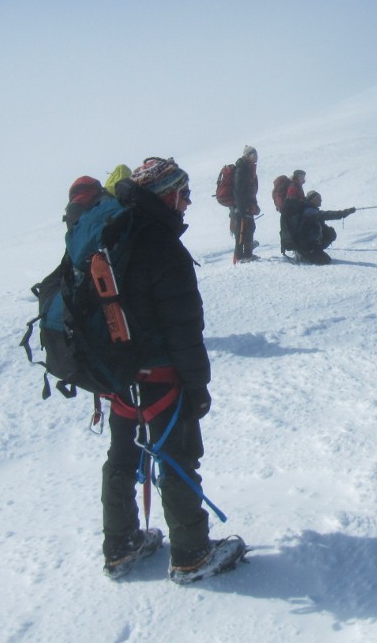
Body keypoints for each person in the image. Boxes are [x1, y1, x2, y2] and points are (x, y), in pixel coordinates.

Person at [103, 156, 245, 583]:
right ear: (165, 196)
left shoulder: (114, 234)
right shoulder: (162, 246)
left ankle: (120, 546)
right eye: (183, 193)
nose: (188, 202)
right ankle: (191, 555)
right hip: (162, 378)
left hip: (120, 377)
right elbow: (183, 329)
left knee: (122, 457)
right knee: (178, 457)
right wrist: (198, 387)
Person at [284, 189, 355, 265]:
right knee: (325, 260)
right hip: (305, 245)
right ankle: (303, 254)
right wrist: (343, 213)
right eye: (318, 198)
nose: (320, 200)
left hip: (311, 242)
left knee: (330, 232)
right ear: (312, 199)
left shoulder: (311, 209)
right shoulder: (309, 211)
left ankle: (315, 250)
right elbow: (327, 215)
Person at [231, 146, 260, 263]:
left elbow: (250, 190)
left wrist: (254, 204)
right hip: (241, 206)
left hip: (246, 205)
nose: (256, 157)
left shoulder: (247, 168)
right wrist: (241, 208)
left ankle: (248, 254)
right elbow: (238, 190)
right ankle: (240, 256)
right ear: (247, 155)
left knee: (249, 228)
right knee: (241, 231)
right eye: (254, 155)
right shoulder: (241, 169)